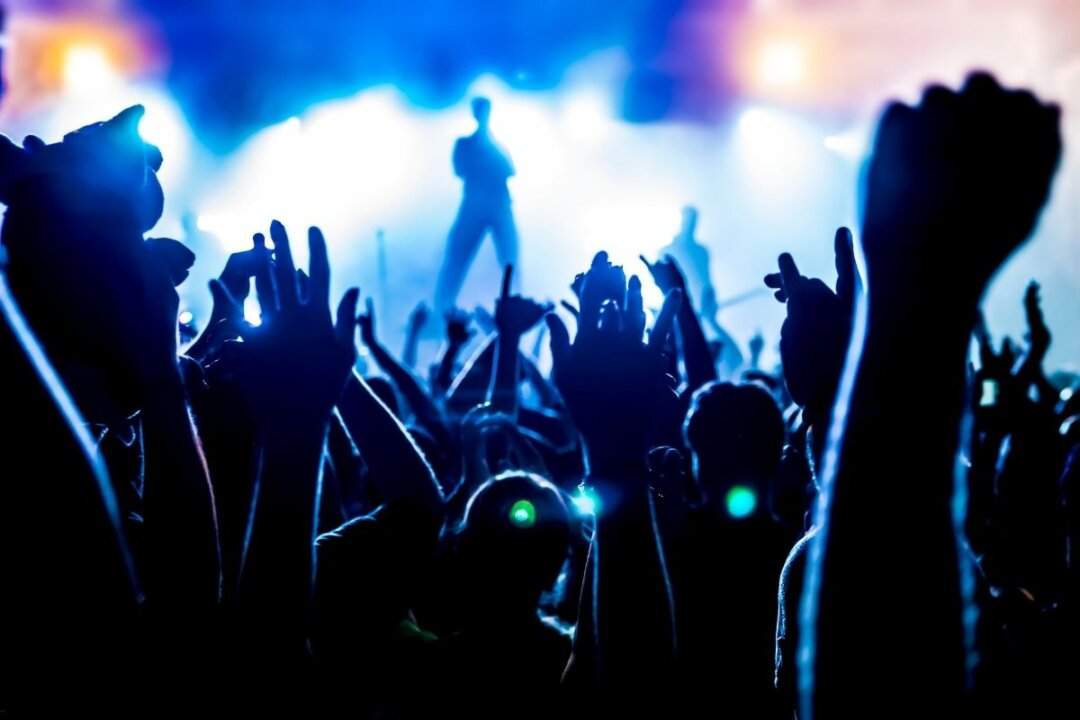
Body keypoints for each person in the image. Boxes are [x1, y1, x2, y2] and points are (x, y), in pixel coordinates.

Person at [433, 96, 519, 315]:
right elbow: (460, 169)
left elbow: (511, 169)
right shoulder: (465, 144)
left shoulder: (496, 145)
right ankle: (440, 311)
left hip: (498, 206)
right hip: (474, 208)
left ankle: (517, 308)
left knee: (510, 259)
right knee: (456, 258)